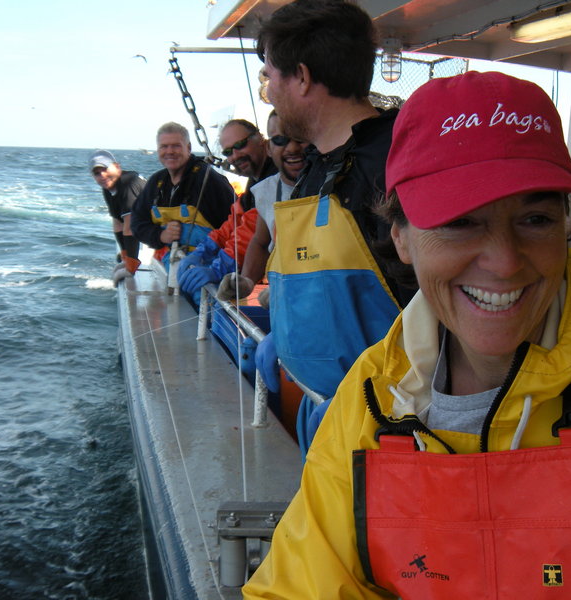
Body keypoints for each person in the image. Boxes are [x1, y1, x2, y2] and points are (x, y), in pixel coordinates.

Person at [241, 71, 571, 599]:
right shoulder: (372, 395)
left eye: (535, 219)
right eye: (459, 222)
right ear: (400, 236)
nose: (504, 262)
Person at [254, 0, 415, 450]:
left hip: (384, 427)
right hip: (327, 410)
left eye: (270, 76)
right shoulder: (317, 166)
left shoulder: (392, 167)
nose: (268, 90)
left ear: (302, 77)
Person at [177, 118, 279, 302]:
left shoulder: (274, 177)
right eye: (228, 152)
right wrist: (203, 251)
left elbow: (251, 230)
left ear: (261, 139)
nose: (235, 156)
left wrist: (219, 268)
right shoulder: (255, 181)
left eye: (240, 145)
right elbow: (233, 224)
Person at [216, 110, 307, 301]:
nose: (292, 148)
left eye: (299, 137)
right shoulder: (265, 191)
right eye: (280, 140)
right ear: (268, 147)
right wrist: (246, 280)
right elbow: (260, 241)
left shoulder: (335, 184)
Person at [130, 122, 234, 265]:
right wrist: (160, 235)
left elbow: (235, 226)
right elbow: (137, 222)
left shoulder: (208, 180)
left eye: (176, 146)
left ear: (189, 148)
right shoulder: (156, 182)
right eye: (164, 146)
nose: (170, 151)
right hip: (170, 265)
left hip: (209, 269)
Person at [88, 149, 146, 283]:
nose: (102, 175)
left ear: (117, 167)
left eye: (105, 169)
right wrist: (125, 255)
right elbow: (118, 222)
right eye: (97, 173)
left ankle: (132, 262)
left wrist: (130, 267)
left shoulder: (127, 183)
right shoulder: (108, 188)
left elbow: (130, 225)